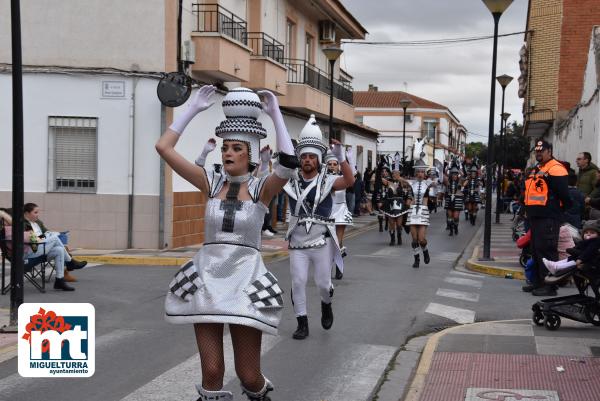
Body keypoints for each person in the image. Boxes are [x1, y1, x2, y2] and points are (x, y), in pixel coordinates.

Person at [158, 86, 295, 401]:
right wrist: (191, 109)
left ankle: (260, 396)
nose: (228, 153)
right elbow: (163, 147)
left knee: (248, 375)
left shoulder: (262, 188)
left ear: (250, 153)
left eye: (236, 148)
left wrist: (275, 114)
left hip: (245, 281)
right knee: (212, 372)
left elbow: (288, 164)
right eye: (224, 148)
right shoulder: (210, 182)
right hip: (206, 280)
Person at [283, 115, 354, 340]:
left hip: (321, 242)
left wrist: (342, 159)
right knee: (298, 281)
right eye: (303, 156)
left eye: (311, 157)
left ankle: (326, 304)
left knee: (323, 283)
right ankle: (301, 322)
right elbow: (268, 182)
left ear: (318, 159)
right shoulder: (290, 180)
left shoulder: (328, 180)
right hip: (297, 243)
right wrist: (268, 164)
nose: (307, 160)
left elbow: (350, 181)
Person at [522, 139, 572, 297]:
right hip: (536, 216)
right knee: (536, 250)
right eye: (536, 151)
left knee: (547, 250)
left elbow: (564, 194)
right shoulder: (538, 168)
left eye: (541, 151)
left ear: (549, 151)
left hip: (548, 216)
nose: (538, 153)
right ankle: (538, 282)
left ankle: (550, 286)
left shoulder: (556, 168)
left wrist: (558, 211)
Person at [23, 203, 85, 285]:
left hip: (42, 248)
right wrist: (45, 236)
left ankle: (60, 280)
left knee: (59, 249)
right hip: (31, 251)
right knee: (55, 238)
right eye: (35, 212)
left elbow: (46, 232)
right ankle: (70, 262)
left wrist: (48, 235)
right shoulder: (23, 224)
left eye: (38, 212)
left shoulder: (37, 222)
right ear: (27, 213)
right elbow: (32, 241)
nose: (38, 215)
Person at [398, 159, 433, 268]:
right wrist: (397, 171)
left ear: (424, 173)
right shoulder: (411, 183)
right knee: (414, 239)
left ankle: (425, 251)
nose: (420, 174)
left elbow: (426, 201)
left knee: (421, 239)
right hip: (413, 211)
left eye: (422, 172)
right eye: (418, 171)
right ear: (416, 173)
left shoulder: (428, 184)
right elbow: (400, 179)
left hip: (423, 211)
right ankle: (416, 259)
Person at [325, 149, 353, 279]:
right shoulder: (323, 180)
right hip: (327, 213)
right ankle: (329, 265)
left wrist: (349, 160)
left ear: (338, 166)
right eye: (329, 164)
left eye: (334, 164)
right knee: (328, 243)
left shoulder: (344, 178)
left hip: (341, 211)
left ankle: (338, 266)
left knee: (338, 242)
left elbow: (353, 176)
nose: (332, 166)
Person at [383, 163, 409, 246]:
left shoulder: (402, 182)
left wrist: (400, 178)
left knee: (398, 224)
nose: (394, 174)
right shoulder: (388, 182)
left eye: (396, 173)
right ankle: (392, 239)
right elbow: (375, 180)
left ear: (399, 174)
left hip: (400, 204)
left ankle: (399, 236)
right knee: (391, 223)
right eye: (393, 173)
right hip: (390, 204)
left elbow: (409, 184)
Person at [444, 163, 464, 236]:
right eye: (453, 174)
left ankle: (456, 227)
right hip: (449, 201)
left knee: (455, 217)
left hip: (457, 201)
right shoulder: (448, 182)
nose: (454, 176)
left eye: (455, 174)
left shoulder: (460, 182)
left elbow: (462, 175)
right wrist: (448, 168)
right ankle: (451, 230)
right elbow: (444, 175)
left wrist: (458, 168)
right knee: (450, 217)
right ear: (451, 175)